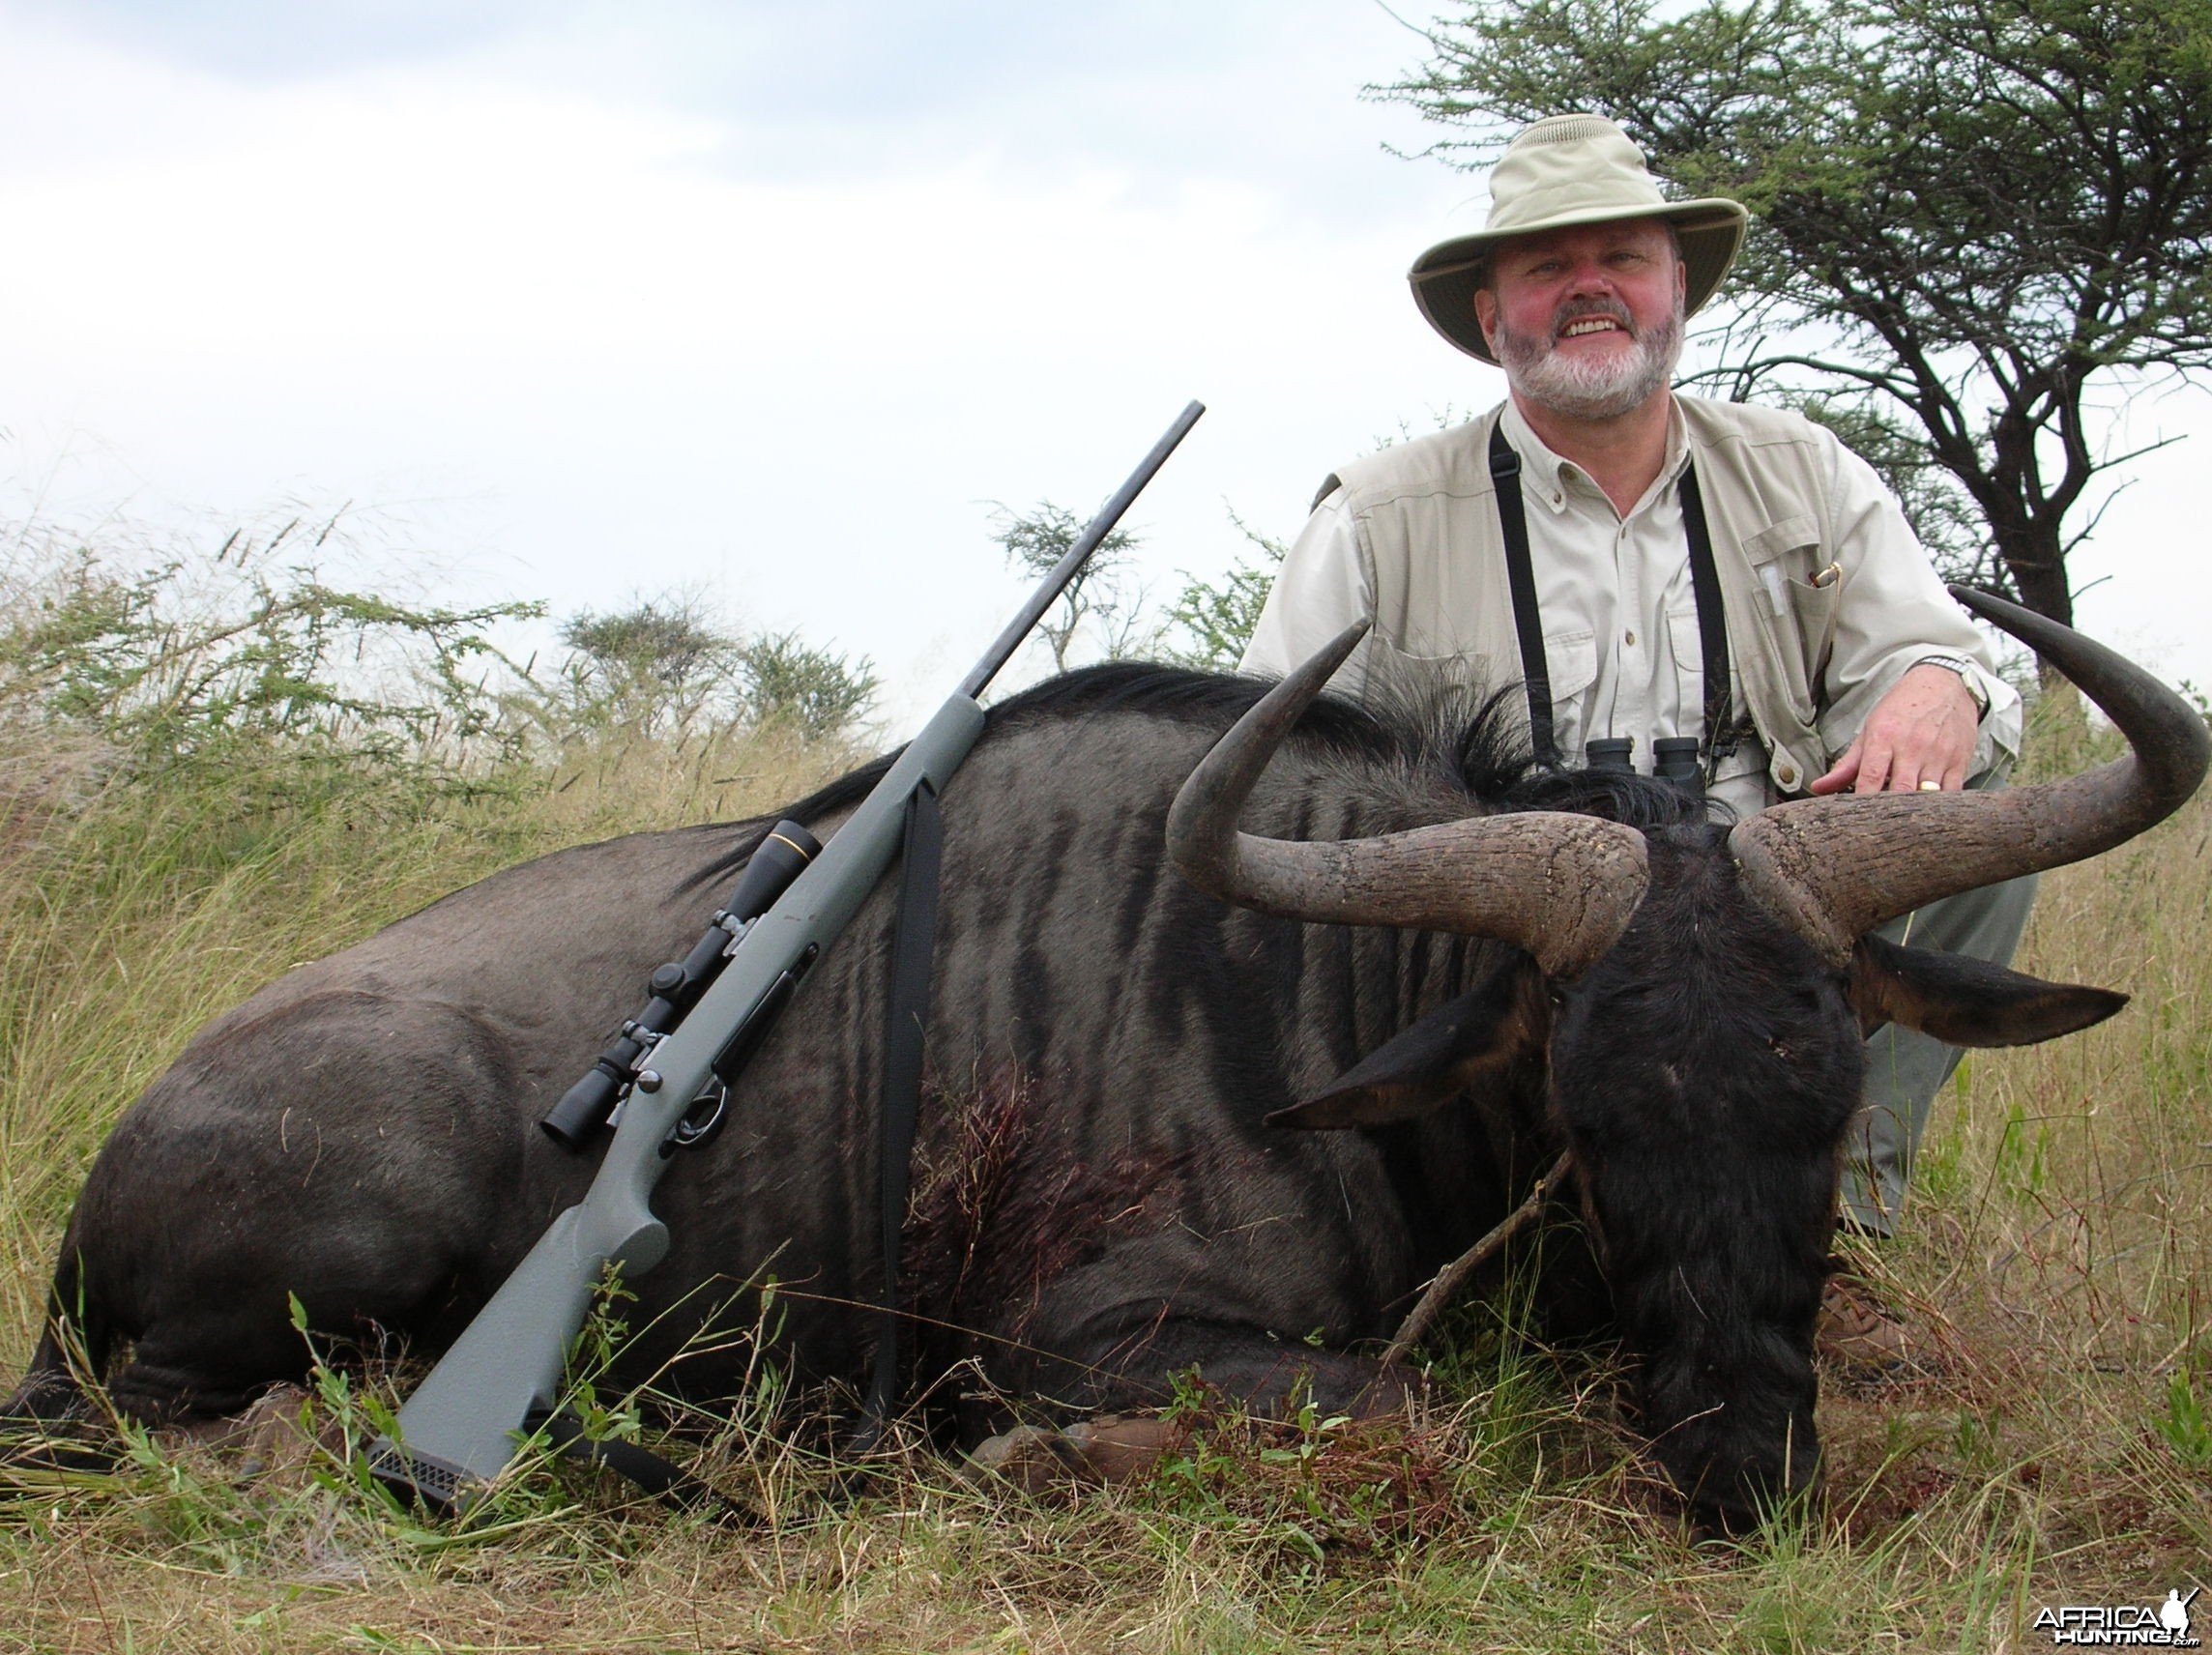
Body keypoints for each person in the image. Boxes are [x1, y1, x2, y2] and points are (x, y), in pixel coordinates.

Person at [1239, 112, 2036, 1371]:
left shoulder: (1804, 470)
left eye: (1623, 256)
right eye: (1550, 268)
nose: (1589, 287)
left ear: (1675, 293)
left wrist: (1940, 684)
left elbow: (1943, 659)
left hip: (1760, 914)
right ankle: (1463, 1217)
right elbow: (1265, 780)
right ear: (1494, 315)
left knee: (1982, 788)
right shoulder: (1379, 515)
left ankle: (1852, 1214)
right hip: (1520, 950)